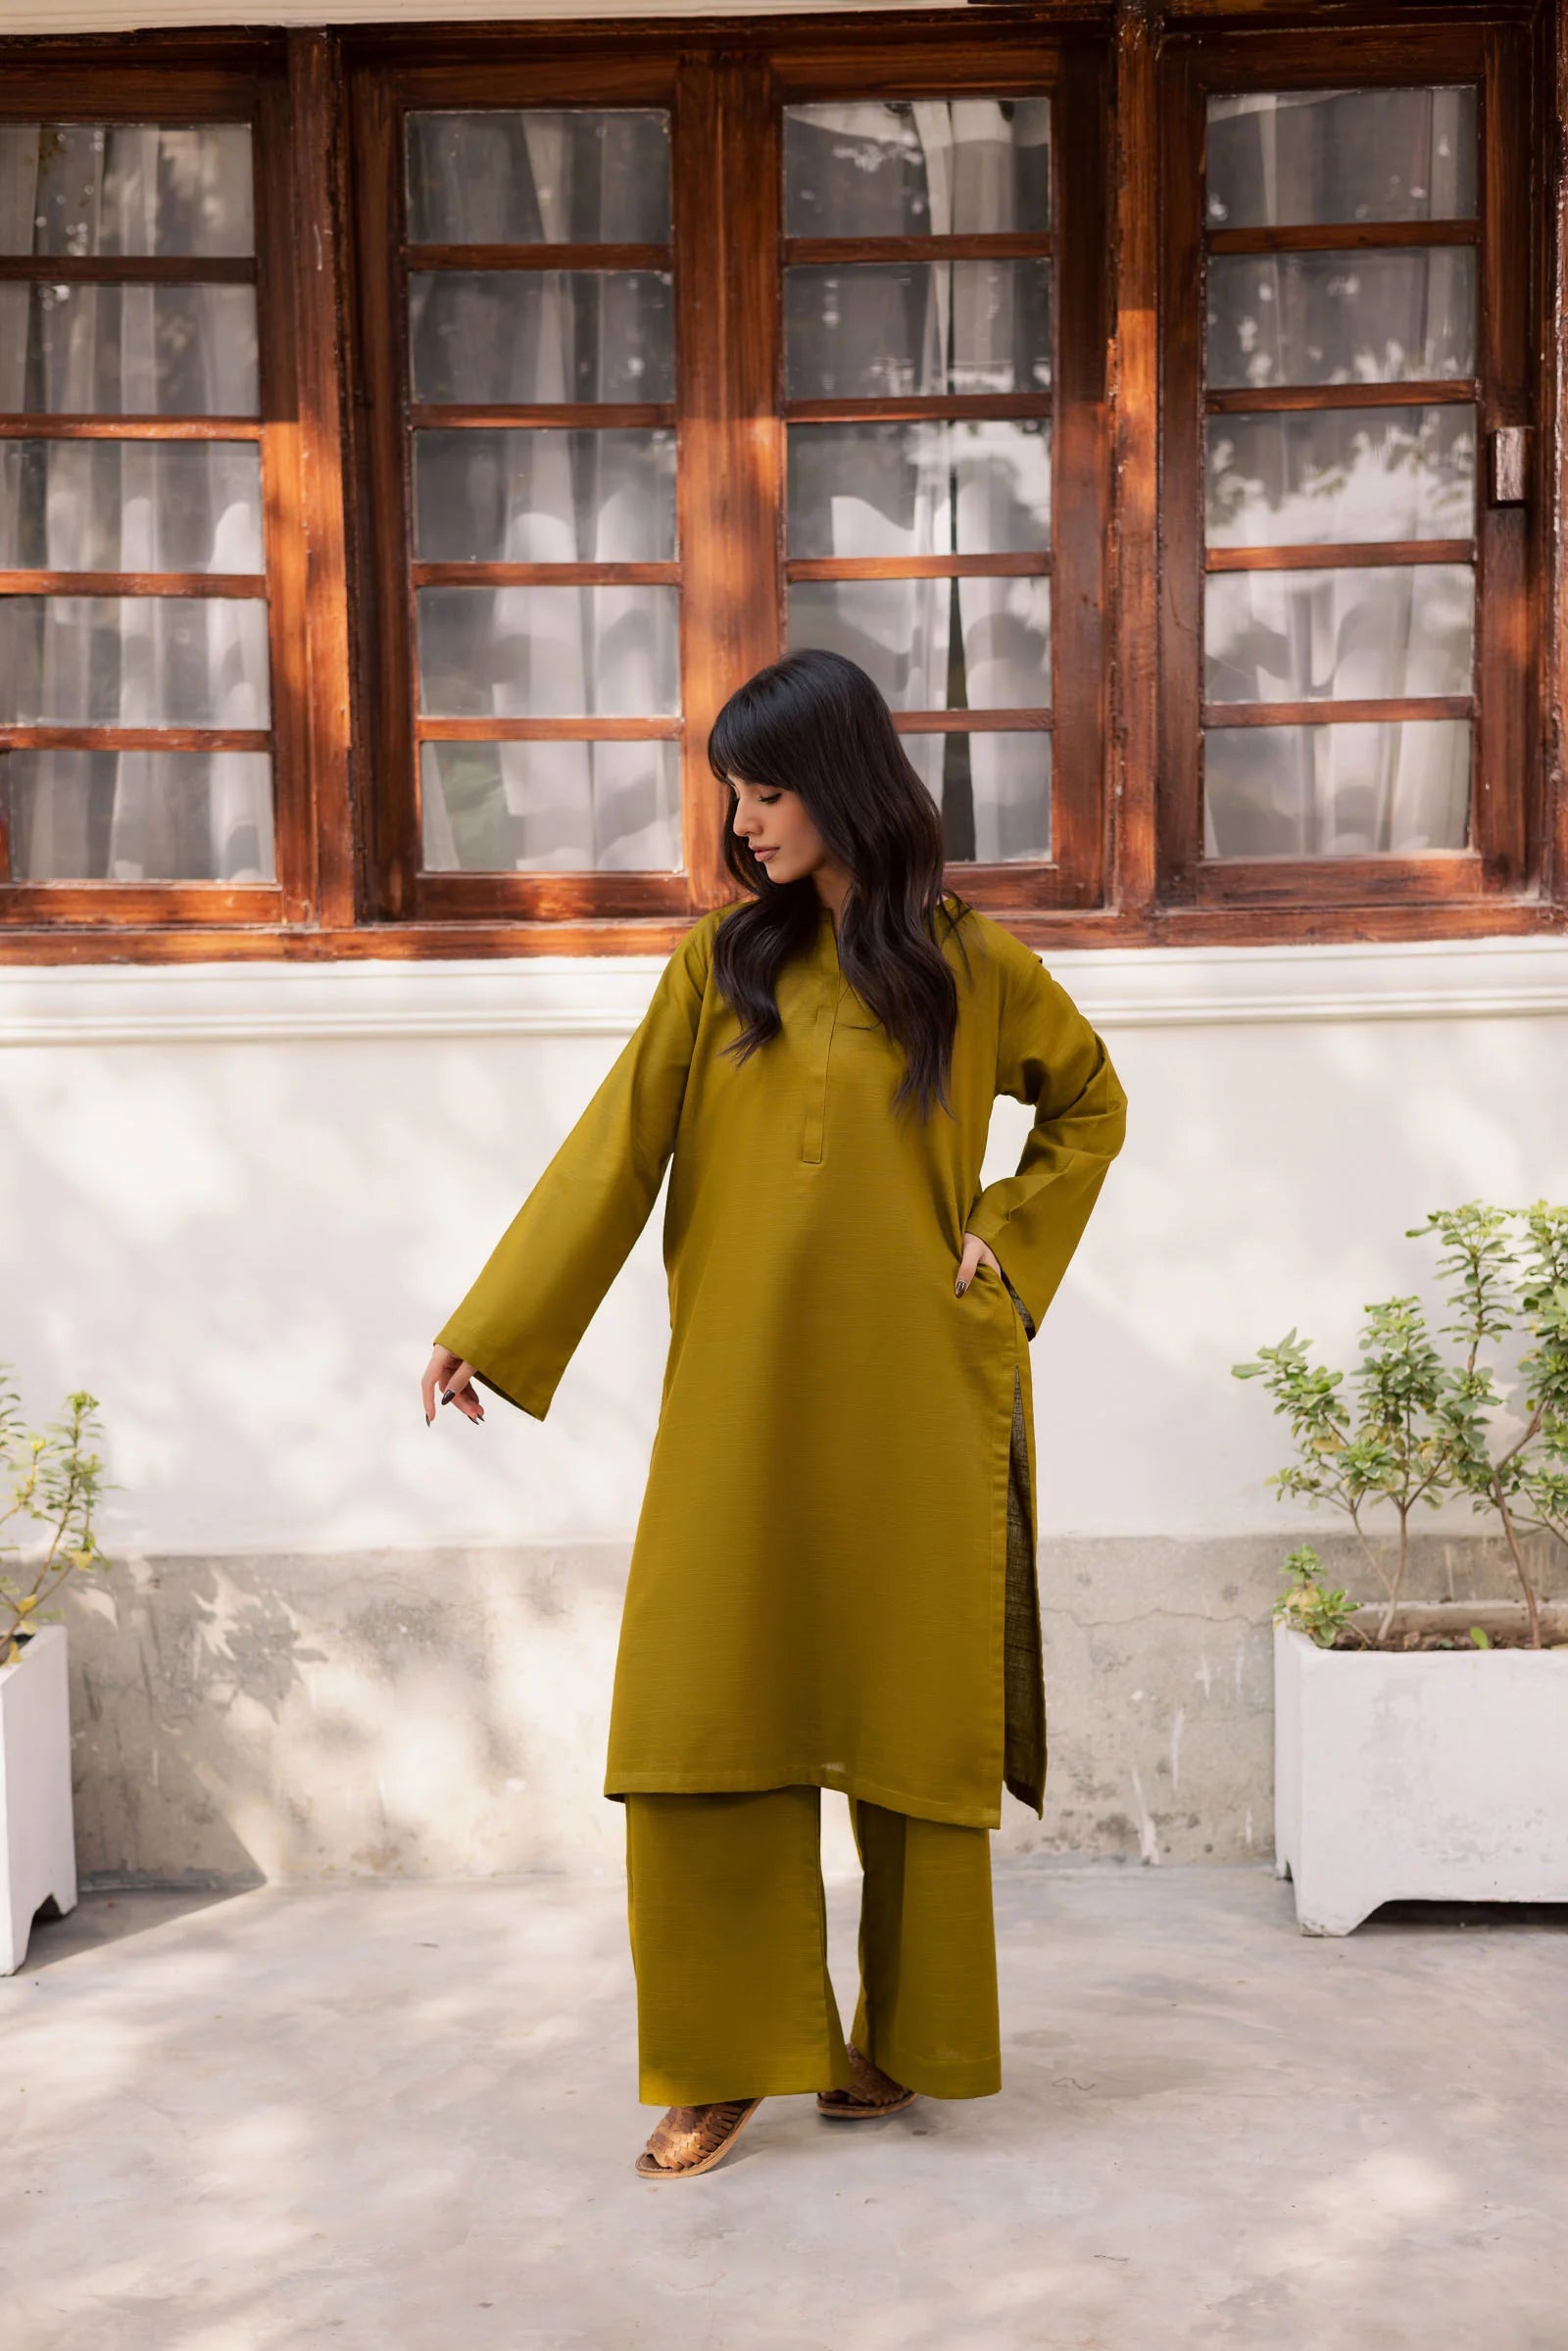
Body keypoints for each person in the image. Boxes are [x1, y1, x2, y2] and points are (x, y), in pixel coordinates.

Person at [421, 648, 1127, 2180]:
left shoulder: (973, 967)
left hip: (914, 1400)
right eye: (732, 795)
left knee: (908, 1718)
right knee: (705, 1709)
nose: (741, 823)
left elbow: (1091, 1103)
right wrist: (492, 1325)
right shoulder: (720, 966)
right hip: (739, 1401)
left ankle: (908, 2041)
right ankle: (727, 2055)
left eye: (765, 791)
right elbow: (614, 1152)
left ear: (842, 783)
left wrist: (1004, 1238)